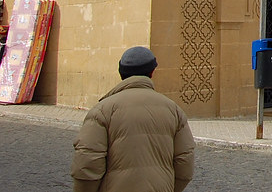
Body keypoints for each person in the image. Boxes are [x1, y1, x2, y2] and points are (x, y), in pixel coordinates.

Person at [71, 46, 194, 192]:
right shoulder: (173, 110)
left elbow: (88, 162)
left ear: (121, 73)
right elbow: (185, 162)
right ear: (152, 72)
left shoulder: (102, 111)